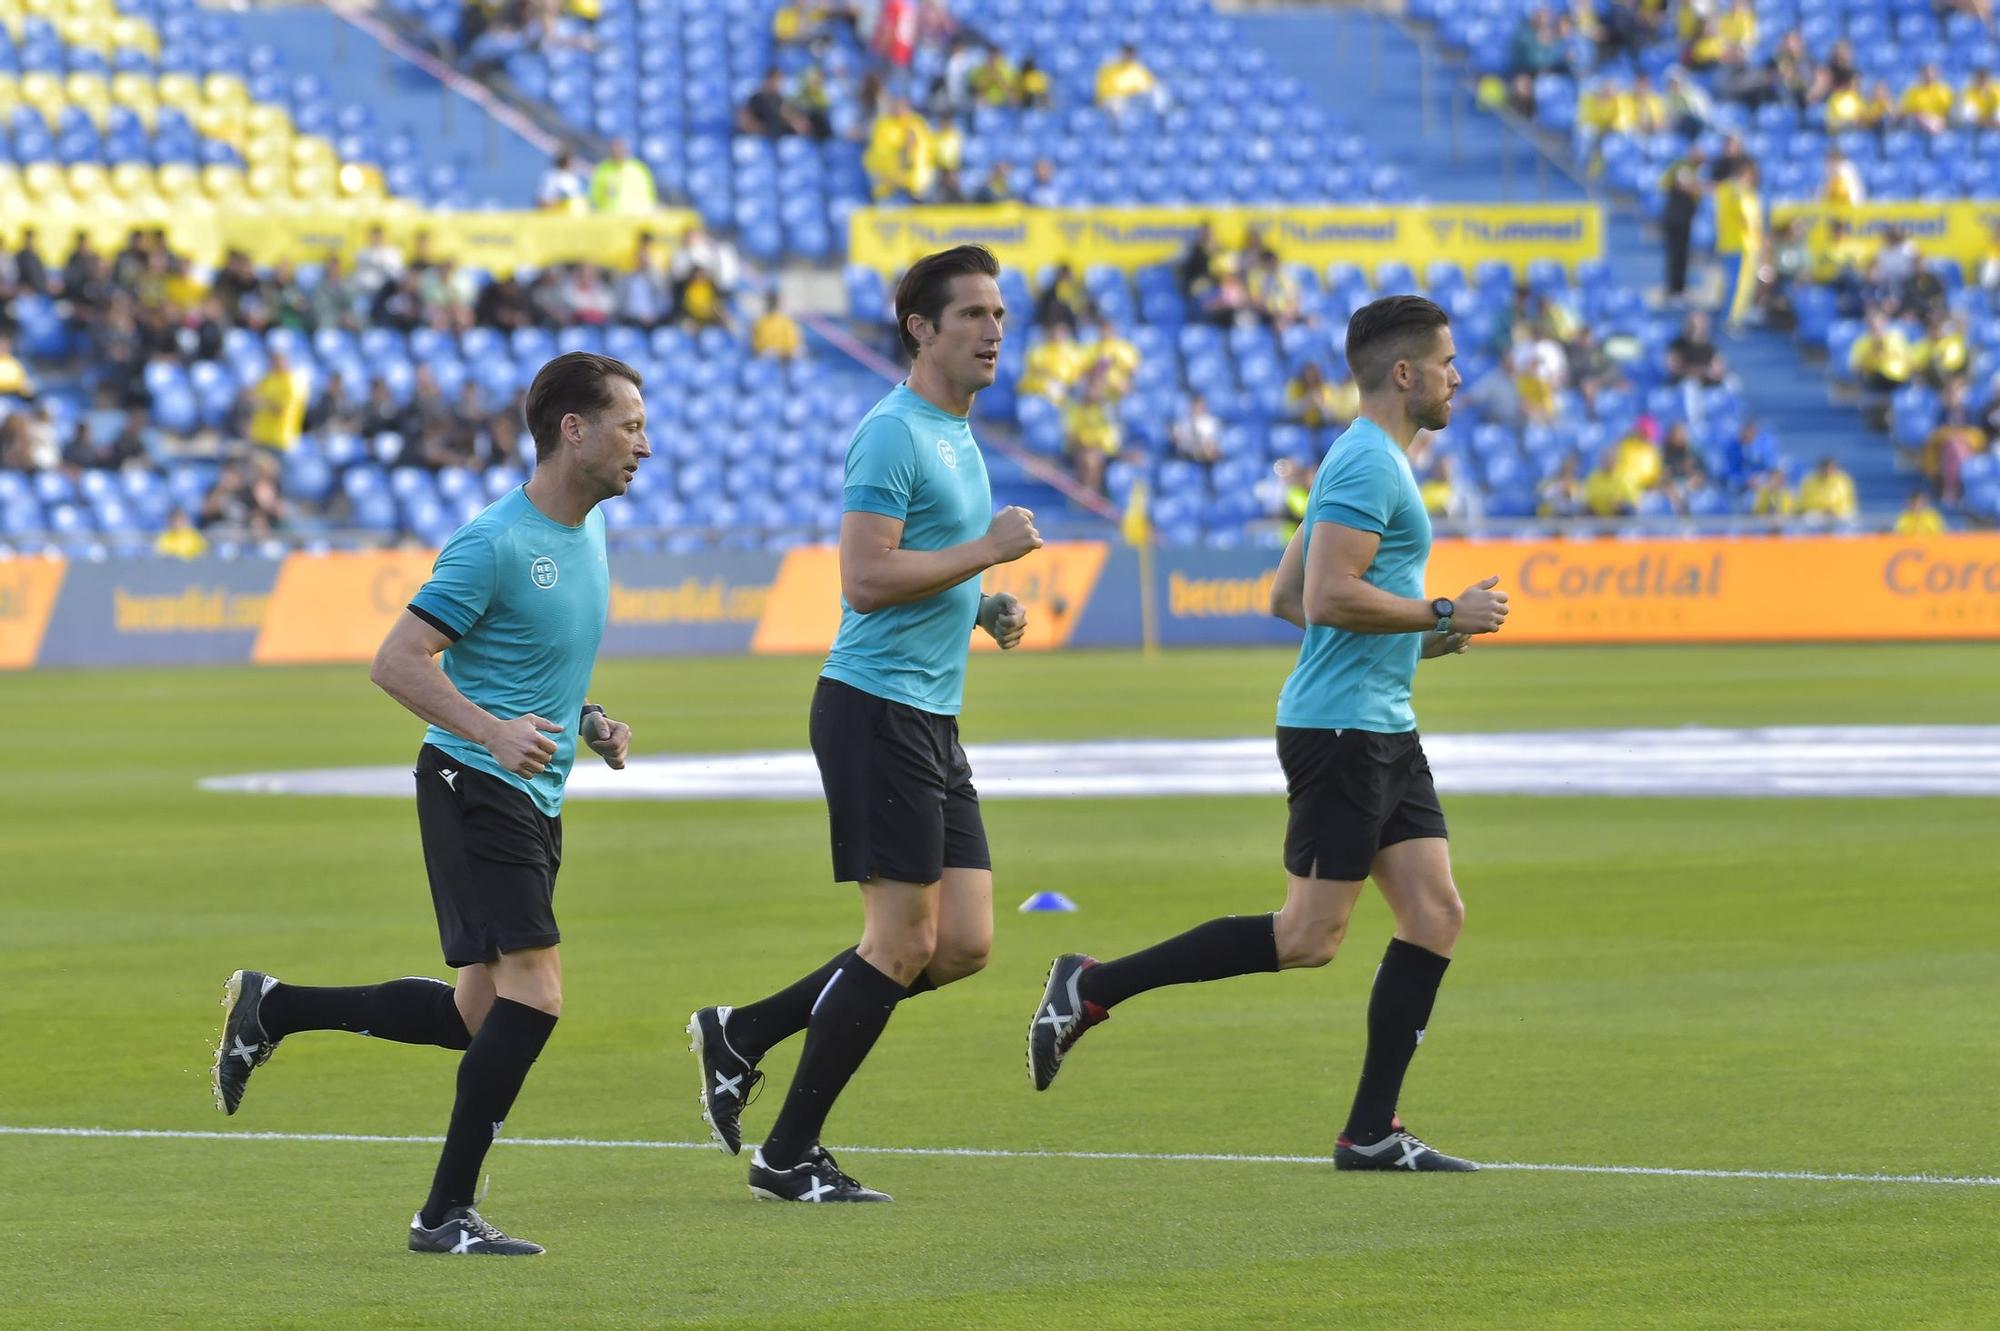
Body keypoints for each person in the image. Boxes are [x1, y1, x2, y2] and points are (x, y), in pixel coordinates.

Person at [1025, 295, 1508, 1173]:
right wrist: (1441, 607)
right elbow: (1325, 597)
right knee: (1307, 937)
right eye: (1446, 362)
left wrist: (1423, 642)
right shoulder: (1369, 464)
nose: (1457, 376)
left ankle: (1371, 1132)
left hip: (1378, 723)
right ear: (1404, 373)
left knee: (1435, 914)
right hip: (1341, 734)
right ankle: (1091, 986)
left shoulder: (1363, 459)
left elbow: (1286, 599)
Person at [209, 352, 650, 1256]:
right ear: (575, 430)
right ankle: (444, 1212)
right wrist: (490, 731)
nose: (645, 443)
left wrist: (589, 719)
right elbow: (396, 661)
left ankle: (274, 1007)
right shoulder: (493, 542)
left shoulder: (591, 533)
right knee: (537, 997)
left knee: (478, 1017)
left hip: (525, 788)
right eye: (630, 424)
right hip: (473, 783)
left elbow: (531, 665)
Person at [686, 246, 1042, 1204]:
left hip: (929, 714)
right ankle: (788, 1152)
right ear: (921, 329)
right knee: (897, 941)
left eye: (999, 313)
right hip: (874, 708)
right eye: (971, 314)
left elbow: (923, 567)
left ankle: (745, 1032)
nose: (993, 330)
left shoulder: (960, 434)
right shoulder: (893, 432)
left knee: (961, 942)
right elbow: (865, 578)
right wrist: (988, 551)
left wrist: (981, 605)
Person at [1660, 145, 1707, 302]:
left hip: (1685, 220)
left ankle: (1679, 289)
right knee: (1676, 256)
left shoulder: (1693, 170)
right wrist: (1704, 188)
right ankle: (1673, 291)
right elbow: (1685, 185)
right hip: (1675, 220)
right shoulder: (1683, 166)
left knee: (1683, 256)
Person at [589, 136, 658, 215]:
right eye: (615, 149)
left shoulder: (639, 169)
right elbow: (595, 198)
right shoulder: (602, 170)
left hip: (636, 218)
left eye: (621, 149)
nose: (618, 151)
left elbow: (650, 197)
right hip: (611, 219)